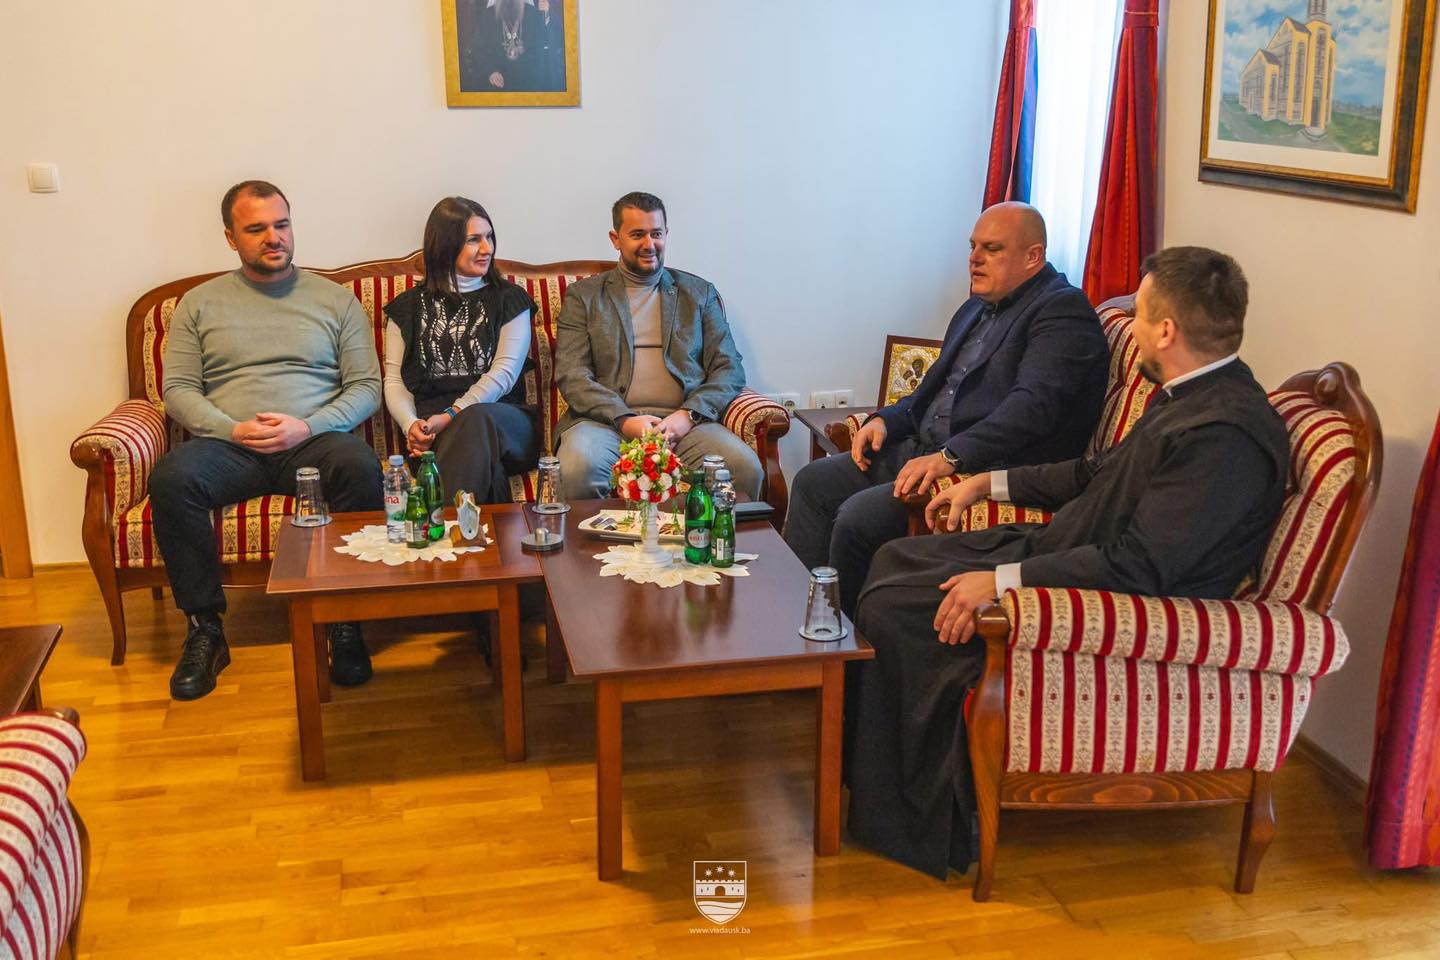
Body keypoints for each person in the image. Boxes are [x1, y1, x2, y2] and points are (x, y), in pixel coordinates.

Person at [844, 246, 1291, 881]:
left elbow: (1140, 568)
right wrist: (986, 483)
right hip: (1066, 549)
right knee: (893, 557)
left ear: (1167, 331)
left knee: (895, 605)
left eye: (1139, 315)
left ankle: (918, 821)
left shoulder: (1224, 436)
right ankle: (868, 774)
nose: (1132, 329)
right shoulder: (1191, 395)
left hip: (1094, 598)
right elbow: (1093, 472)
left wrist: (1000, 584)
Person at [783, 202, 1108, 616]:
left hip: (983, 466)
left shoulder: (1062, 311)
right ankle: (794, 618)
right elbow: (931, 391)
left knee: (857, 518)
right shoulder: (975, 307)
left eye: (992, 249)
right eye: (973, 246)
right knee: (813, 482)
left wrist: (952, 456)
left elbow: (1031, 408)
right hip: (923, 450)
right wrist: (886, 420)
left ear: (1033, 256)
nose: (975, 258)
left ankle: (840, 638)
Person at [152, 181, 383, 701]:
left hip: (313, 440)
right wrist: (230, 428)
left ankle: (346, 620)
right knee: (172, 478)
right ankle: (205, 629)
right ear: (231, 238)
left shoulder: (335, 300)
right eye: (256, 228)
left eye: (281, 224)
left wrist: (309, 426)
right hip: (231, 444)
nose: (273, 237)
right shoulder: (198, 304)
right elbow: (178, 390)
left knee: (359, 466)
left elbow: (366, 386)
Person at [554, 191, 761, 502]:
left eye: (656, 233)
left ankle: (703, 536)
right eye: (638, 234)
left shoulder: (698, 294)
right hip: (605, 424)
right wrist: (625, 419)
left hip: (685, 426)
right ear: (615, 239)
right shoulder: (584, 296)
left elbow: (728, 368)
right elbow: (573, 375)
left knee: (743, 468)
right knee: (577, 469)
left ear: (666, 234)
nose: (649, 244)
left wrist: (688, 416)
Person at [382, 197, 540, 503]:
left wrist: (453, 414)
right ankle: (476, 533)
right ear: (444, 244)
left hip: (505, 423)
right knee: (488, 470)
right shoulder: (407, 308)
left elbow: (504, 374)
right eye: (473, 240)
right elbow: (395, 379)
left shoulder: (510, 300)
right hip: (436, 435)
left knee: (475, 419)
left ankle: (439, 524)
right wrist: (411, 424)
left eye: (489, 237)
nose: (487, 248)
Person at [464, 0, 565, 92]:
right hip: (497, 80)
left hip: (528, 81)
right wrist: (490, 71)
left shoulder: (533, 13)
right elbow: (478, 49)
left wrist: (545, 16)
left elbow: (546, 44)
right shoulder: (488, 15)